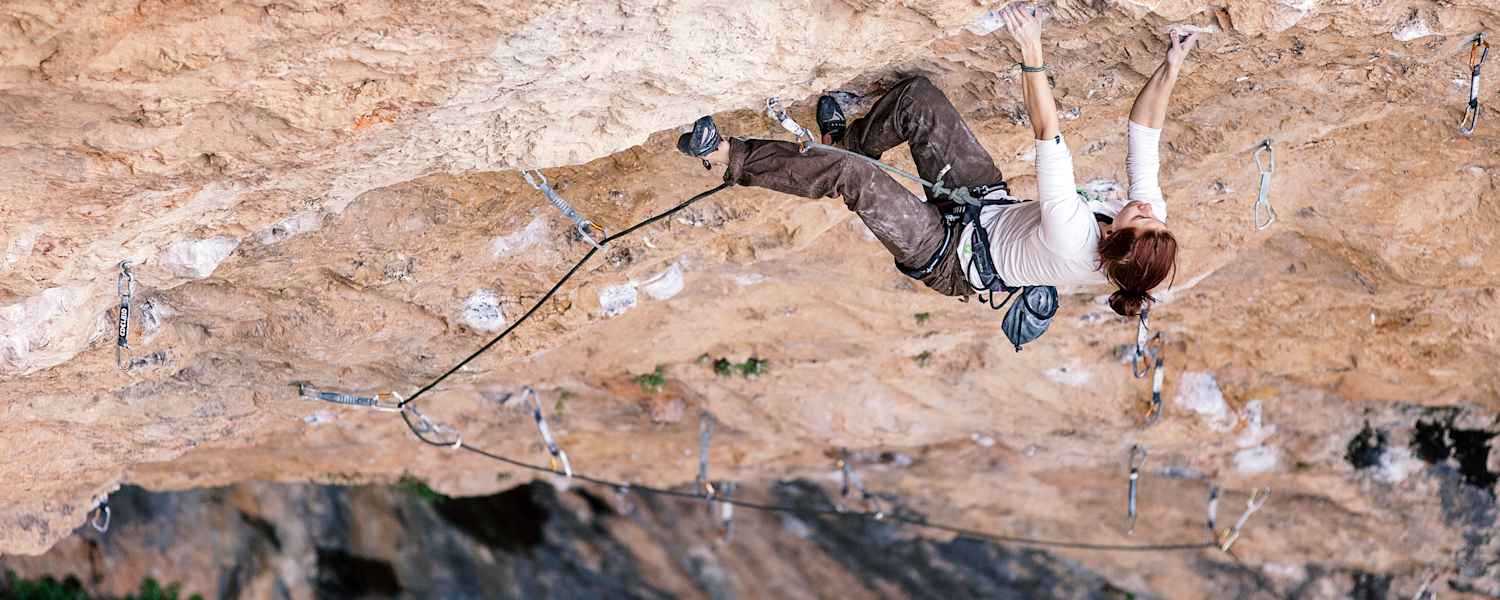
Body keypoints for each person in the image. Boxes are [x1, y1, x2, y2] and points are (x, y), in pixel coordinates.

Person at [677, 5, 1196, 317]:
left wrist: (1030, 49)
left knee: (853, 177)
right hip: (983, 208)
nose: (1147, 209)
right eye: (1153, 219)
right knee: (917, 100)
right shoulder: (1139, 229)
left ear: (1114, 240)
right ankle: (845, 139)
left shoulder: (1074, 233)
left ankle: (728, 157)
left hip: (948, 256)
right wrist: (1170, 68)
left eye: (1142, 220)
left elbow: (1047, 132)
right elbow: (1144, 134)